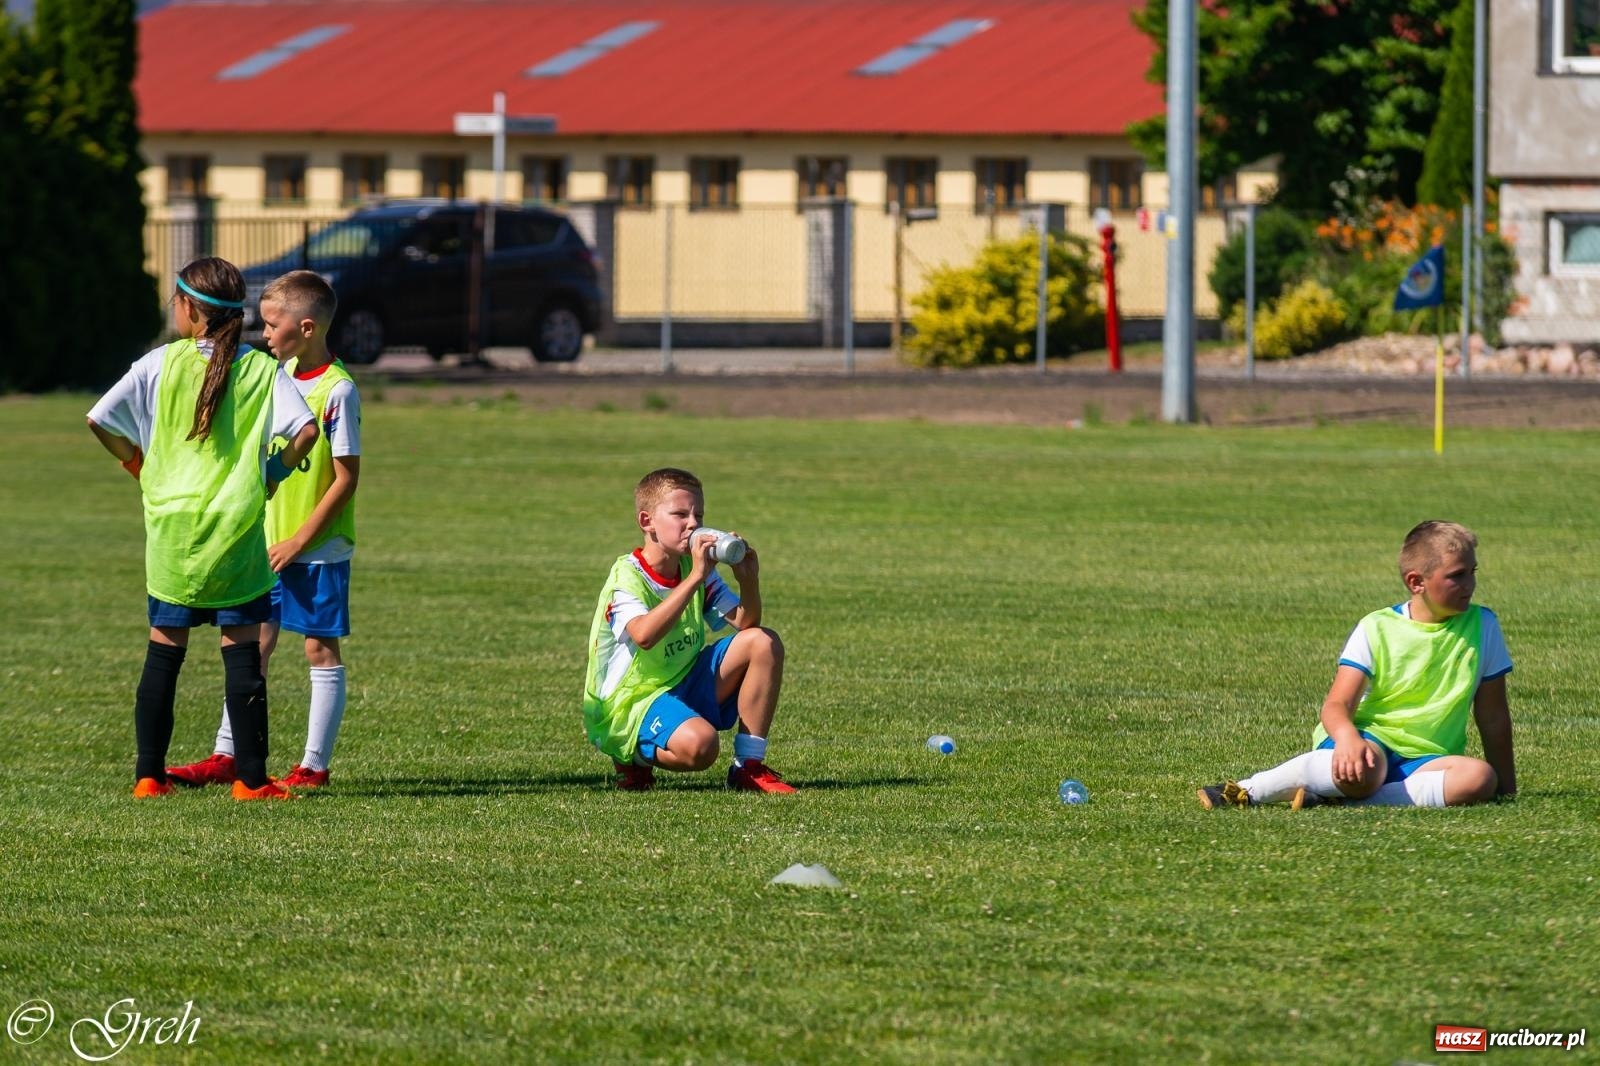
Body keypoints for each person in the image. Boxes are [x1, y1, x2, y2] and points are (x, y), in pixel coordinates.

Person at [87, 256, 319, 801]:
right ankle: (251, 781)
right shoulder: (261, 369)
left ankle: (149, 776)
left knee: (164, 651)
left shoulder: (158, 364)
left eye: (176, 302)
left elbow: (98, 419)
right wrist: (272, 473)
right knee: (242, 653)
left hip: (172, 532)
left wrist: (137, 466)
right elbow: (306, 431)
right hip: (235, 529)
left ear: (191, 308)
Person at [168, 271, 360, 791]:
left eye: (272, 325)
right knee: (251, 648)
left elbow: (347, 479)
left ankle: (313, 766)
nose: (264, 333)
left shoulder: (337, 389)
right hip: (266, 541)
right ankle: (227, 754)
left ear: (304, 327)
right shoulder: (273, 378)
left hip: (317, 547)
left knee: (319, 649)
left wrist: (300, 540)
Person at [1198, 520, 1516, 810]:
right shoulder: (1377, 627)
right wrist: (1349, 738)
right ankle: (1248, 790)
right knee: (1365, 772)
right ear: (1416, 582)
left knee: (1479, 779)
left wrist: (1506, 790)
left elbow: (1493, 716)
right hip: (1367, 741)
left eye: (1473, 572)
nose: (1469, 584)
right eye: (1456, 576)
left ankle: (1339, 801)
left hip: (1428, 758)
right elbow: (1337, 704)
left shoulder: (1483, 625)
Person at [583, 467, 794, 793]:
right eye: (680, 514)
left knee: (763, 642)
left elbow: (745, 625)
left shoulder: (694, 568)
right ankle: (631, 757)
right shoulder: (628, 576)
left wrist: (748, 580)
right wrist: (695, 577)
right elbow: (644, 636)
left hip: (683, 680)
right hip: (634, 701)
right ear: (646, 522)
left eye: (698, 514)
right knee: (701, 747)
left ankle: (748, 767)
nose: (693, 523)